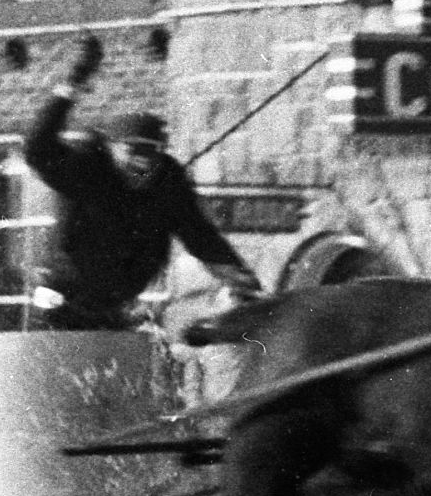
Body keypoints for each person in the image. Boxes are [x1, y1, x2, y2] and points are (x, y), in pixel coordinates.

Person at [21, 36, 262, 332]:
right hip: (60, 302)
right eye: (133, 152)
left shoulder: (167, 184)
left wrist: (240, 278)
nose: (142, 163)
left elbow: (200, 236)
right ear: (112, 148)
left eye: (151, 153)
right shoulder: (88, 168)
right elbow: (37, 149)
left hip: (114, 307)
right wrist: (73, 83)